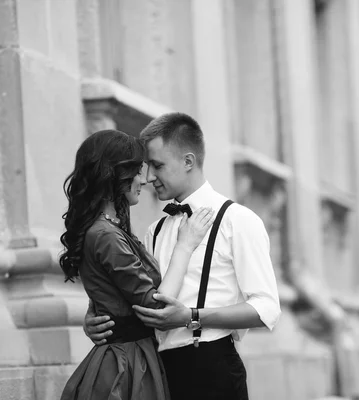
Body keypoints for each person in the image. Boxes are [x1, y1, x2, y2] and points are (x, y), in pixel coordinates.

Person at [84, 113, 282, 400]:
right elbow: (142, 299)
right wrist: (99, 319)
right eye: (147, 166)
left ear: (188, 161)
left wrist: (190, 317)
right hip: (156, 370)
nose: (149, 177)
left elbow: (267, 309)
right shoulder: (155, 230)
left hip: (211, 369)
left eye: (158, 165)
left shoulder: (238, 220)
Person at [59, 129, 215, 400]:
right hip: (125, 368)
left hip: (133, 357)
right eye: (138, 169)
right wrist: (185, 245)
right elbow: (157, 308)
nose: (145, 179)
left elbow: (111, 288)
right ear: (114, 175)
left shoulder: (110, 230)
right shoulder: (105, 234)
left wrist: (96, 310)